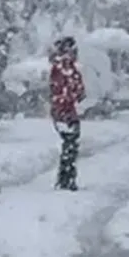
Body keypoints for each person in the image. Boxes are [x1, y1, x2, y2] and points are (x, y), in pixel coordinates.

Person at [49, 36, 86, 191]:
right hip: (66, 112)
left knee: (69, 145)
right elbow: (72, 90)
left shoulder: (61, 67)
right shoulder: (65, 68)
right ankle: (67, 179)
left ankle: (66, 178)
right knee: (70, 145)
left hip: (63, 111)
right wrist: (73, 97)